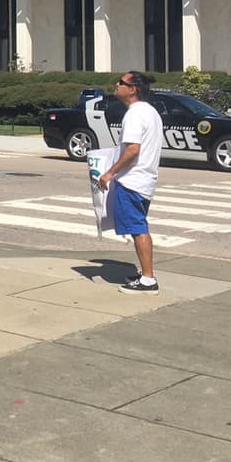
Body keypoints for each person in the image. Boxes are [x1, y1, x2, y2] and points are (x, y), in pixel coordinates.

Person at [97, 70, 164, 294]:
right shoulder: (150, 112)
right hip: (145, 179)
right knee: (138, 226)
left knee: (138, 228)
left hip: (133, 181)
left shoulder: (135, 114)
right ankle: (145, 275)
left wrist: (110, 173)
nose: (116, 85)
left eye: (120, 82)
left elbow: (133, 150)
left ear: (133, 89)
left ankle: (148, 280)